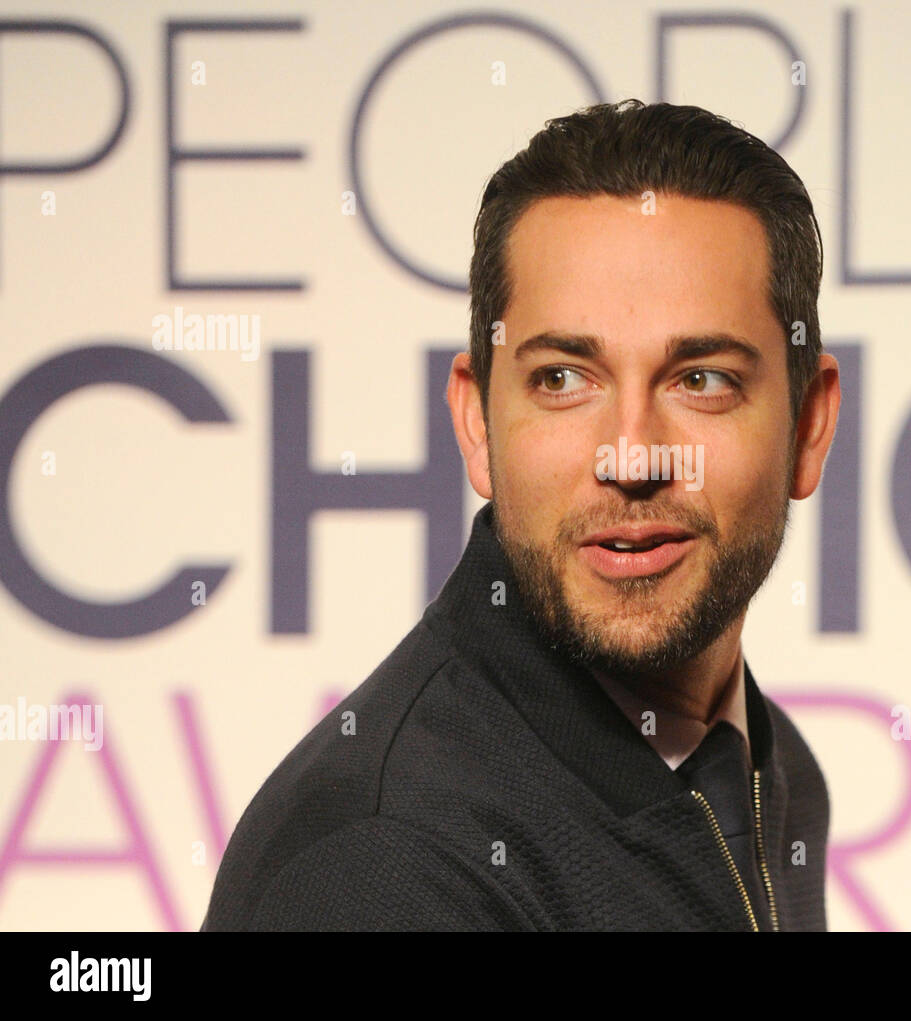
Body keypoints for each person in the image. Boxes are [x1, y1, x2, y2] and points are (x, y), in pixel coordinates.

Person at [202, 98, 841, 931]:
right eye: (562, 379)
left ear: (808, 426)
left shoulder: (770, 768)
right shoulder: (382, 865)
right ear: (477, 423)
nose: (632, 456)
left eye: (702, 380)